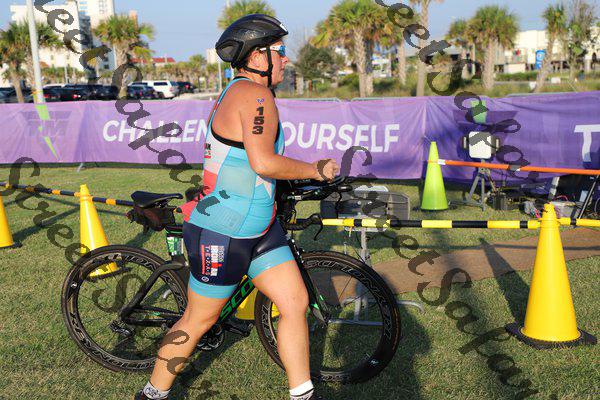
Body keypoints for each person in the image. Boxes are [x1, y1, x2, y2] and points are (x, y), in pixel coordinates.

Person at [135, 14, 339, 400]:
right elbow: (263, 162)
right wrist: (316, 169)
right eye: (279, 50)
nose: (286, 58)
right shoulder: (255, 96)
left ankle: (302, 393)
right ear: (257, 56)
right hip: (224, 231)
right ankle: (150, 394)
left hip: (258, 228)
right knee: (198, 320)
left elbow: (251, 163)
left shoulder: (243, 92)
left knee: (294, 302)